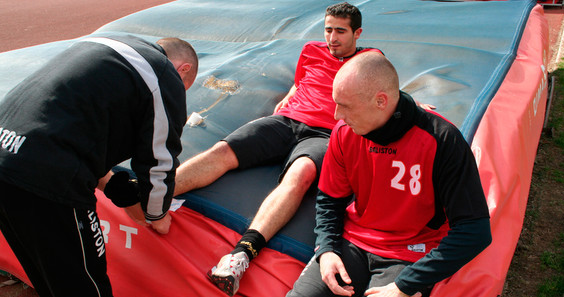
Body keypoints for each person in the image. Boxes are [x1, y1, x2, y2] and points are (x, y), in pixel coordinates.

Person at [174, 2, 432, 296]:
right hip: (286, 121)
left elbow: (383, 87)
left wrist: (409, 106)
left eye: (340, 32)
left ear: (357, 33)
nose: (332, 38)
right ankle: (156, 193)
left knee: (301, 174)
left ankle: (240, 256)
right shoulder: (311, 50)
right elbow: (301, 83)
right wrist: (287, 98)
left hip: (324, 133)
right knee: (223, 152)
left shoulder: (370, 58)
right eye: (328, 29)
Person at [0, 35, 198, 296]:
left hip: (6, 154)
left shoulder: (101, 47)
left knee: (48, 275)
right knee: (85, 284)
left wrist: (119, 189)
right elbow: (158, 159)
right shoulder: (162, 73)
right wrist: (156, 214)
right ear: (183, 69)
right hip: (50, 177)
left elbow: (72, 130)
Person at [286, 52, 492, 297]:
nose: (336, 115)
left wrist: (405, 286)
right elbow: (330, 199)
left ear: (381, 101)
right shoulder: (343, 132)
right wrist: (327, 249)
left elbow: (474, 230)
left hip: (411, 253)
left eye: (346, 106)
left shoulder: (442, 139)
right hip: (353, 243)